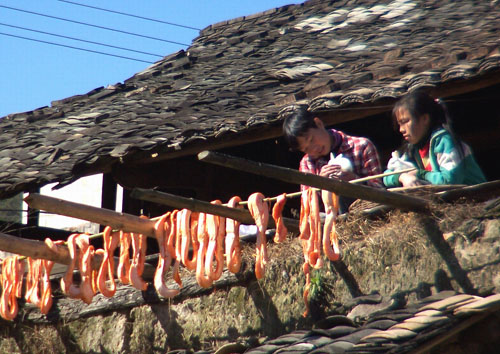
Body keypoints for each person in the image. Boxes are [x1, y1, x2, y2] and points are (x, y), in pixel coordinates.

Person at [283, 105, 383, 213]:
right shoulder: (307, 163)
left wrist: (355, 181)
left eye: (312, 139)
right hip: (332, 220)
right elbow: (308, 207)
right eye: (306, 148)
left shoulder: (362, 146)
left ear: (319, 123)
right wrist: (319, 183)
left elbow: (379, 190)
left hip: (367, 214)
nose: (314, 149)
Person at [383, 90, 486, 188]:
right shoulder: (412, 148)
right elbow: (387, 175)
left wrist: (420, 174)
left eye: (406, 121)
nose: (401, 129)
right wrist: (402, 177)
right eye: (399, 124)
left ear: (425, 119)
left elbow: (449, 181)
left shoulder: (445, 142)